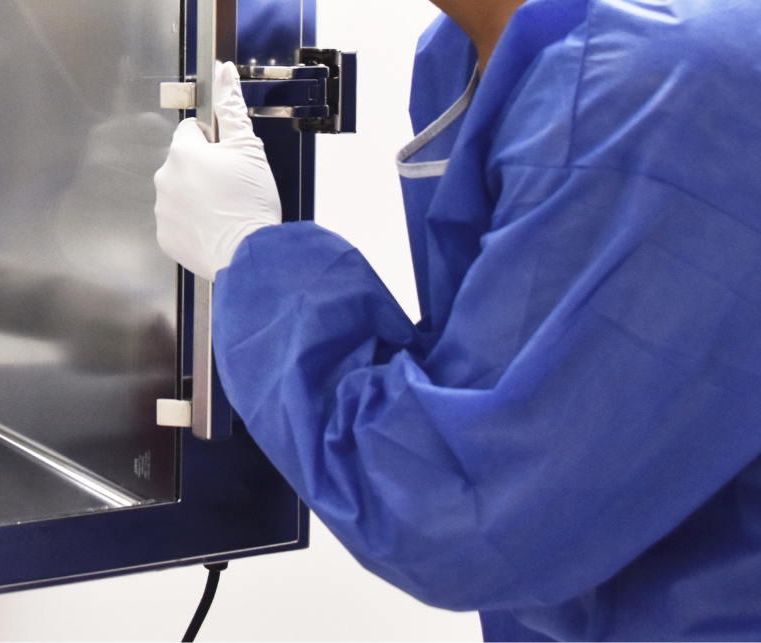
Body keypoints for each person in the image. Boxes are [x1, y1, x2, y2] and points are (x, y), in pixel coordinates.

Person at [153, 0, 761, 639]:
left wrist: (252, 261)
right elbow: (502, 383)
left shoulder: (655, 84)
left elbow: (471, 504)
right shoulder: (470, 53)